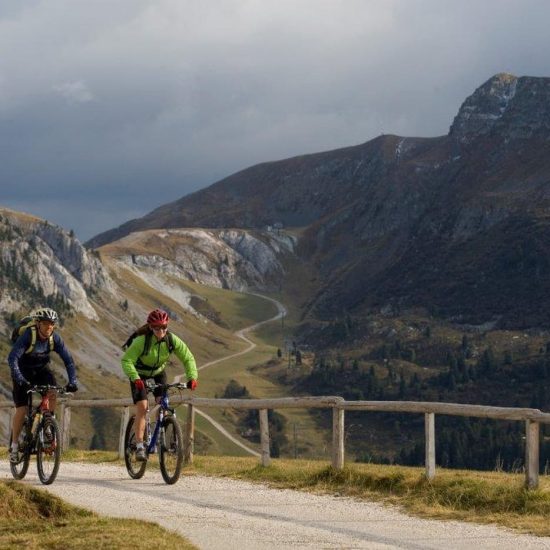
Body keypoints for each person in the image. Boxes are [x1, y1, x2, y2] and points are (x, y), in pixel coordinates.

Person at [121, 308, 198, 461]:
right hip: (139, 373)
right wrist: (135, 378)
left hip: (158, 372)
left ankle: (157, 432)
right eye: (157, 327)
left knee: (162, 402)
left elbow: (187, 357)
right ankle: (140, 446)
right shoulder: (141, 341)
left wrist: (192, 377)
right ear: (150, 327)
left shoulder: (171, 339)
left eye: (164, 327)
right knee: (142, 407)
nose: (161, 331)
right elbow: (126, 360)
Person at [8, 307, 79, 463]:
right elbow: (12, 358)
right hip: (22, 371)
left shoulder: (55, 338)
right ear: (38, 323)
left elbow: (69, 361)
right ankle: (14, 447)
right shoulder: (28, 335)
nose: (49, 327)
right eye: (46, 323)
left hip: (40, 370)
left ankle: (48, 422)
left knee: (52, 391)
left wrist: (73, 381)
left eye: (52, 324)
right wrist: (19, 378)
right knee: (22, 409)